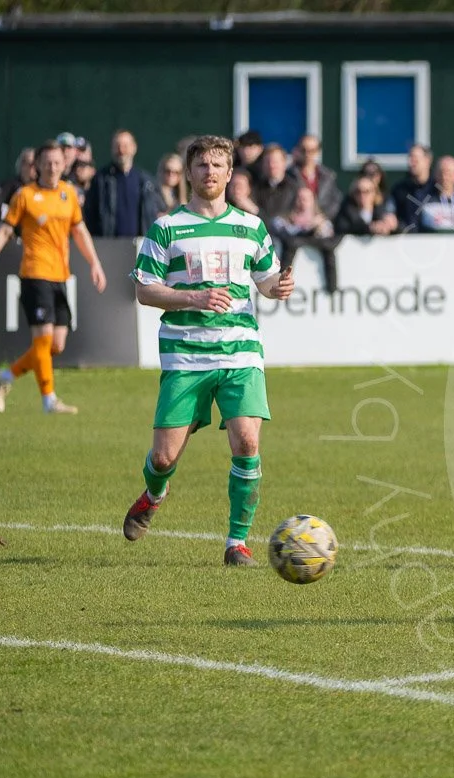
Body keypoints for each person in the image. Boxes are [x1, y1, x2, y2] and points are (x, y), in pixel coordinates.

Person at [120, 135, 295, 567]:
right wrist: (192, 299)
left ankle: (237, 543)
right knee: (163, 457)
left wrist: (279, 288)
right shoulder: (166, 226)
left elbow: (266, 281)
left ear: (230, 173)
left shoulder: (251, 226)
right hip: (186, 355)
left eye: (218, 165)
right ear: (190, 171)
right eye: (202, 166)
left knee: (247, 441)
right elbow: (144, 290)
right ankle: (154, 493)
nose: (210, 172)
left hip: (240, 353)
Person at [0, 143, 108, 415]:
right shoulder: (25, 195)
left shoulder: (68, 194)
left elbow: (79, 231)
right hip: (34, 273)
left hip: (59, 275)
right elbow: (5, 233)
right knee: (42, 340)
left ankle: (6, 376)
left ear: (63, 165)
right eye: (47, 162)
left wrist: (95, 263)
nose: (52, 167)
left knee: (56, 344)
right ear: (37, 165)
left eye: (57, 162)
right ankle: (48, 400)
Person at [84, 130, 161, 238]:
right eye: (117, 146)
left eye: (125, 146)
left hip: (140, 247)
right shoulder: (100, 180)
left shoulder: (145, 182)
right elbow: (90, 215)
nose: (121, 150)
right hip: (108, 246)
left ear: (134, 148)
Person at [288, 134, 342, 220]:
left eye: (312, 150)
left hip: (322, 223)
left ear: (318, 151)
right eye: (303, 150)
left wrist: (323, 217)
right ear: (298, 150)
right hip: (296, 224)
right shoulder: (289, 175)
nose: (307, 154)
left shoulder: (328, 176)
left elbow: (335, 202)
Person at [391, 143, 433, 232]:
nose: (411, 162)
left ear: (427, 161)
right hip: (406, 242)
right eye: (409, 158)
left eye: (415, 159)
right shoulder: (399, 190)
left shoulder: (437, 189)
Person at [251, 144, 298, 223]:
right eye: (267, 161)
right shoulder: (255, 187)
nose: (271, 165)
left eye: (275, 161)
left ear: (284, 163)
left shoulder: (295, 189)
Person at [155, 153, 187, 217]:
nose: (171, 175)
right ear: (161, 171)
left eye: (176, 172)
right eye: (168, 170)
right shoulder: (152, 192)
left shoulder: (179, 197)